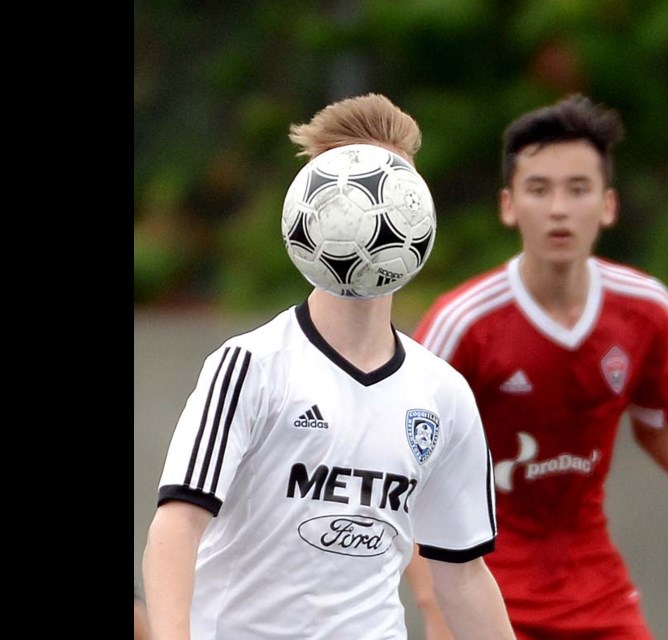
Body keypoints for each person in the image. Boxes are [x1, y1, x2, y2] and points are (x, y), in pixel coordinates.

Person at [404, 94, 668, 639]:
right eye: (539, 189)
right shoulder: (463, 322)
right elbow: (406, 465)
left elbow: (661, 425)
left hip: (595, 586)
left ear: (608, 205)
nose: (559, 208)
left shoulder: (647, 311)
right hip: (485, 590)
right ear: (508, 205)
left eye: (578, 188)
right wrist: (434, 602)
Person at [141, 93, 515, 640]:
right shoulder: (249, 367)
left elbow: (462, 576)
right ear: (315, 209)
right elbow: (175, 529)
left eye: (392, 188)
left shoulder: (444, 394)